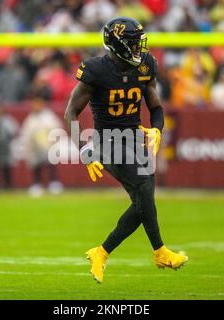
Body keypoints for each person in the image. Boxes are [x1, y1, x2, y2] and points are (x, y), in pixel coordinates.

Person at [64, 17, 188, 284]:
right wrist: (85, 150)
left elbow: (156, 107)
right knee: (144, 190)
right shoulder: (96, 70)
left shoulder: (145, 65)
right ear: (117, 45)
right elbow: (71, 112)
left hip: (134, 140)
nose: (138, 50)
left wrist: (156, 129)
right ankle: (160, 251)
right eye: (132, 44)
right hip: (107, 141)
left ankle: (102, 252)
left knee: (143, 202)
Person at [18, 98, 63, 196]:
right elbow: (26, 133)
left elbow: (57, 128)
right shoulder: (31, 118)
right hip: (35, 148)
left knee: (51, 166)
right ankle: (37, 185)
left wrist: (52, 141)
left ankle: (54, 183)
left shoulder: (49, 116)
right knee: (36, 167)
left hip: (48, 146)